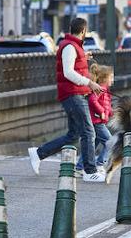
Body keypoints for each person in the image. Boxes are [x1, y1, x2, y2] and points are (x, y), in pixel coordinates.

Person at [27, 18, 105, 182]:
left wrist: (83, 56)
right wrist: (90, 83)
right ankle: (89, 171)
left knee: (73, 135)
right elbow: (68, 72)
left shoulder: (73, 46)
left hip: (74, 93)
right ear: (83, 31)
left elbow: (71, 64)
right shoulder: (69, 47)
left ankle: (38, 153)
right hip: (73, 94)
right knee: (88, 132)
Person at [85, 63, 114, 170]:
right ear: (104, 78)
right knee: (110, 142)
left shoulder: (105, 90)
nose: (112, 80)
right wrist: (102, 111)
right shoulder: (100, 89)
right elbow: (92, 100)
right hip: (97, 121)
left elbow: (105, 104)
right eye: (111, 77)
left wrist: (111, 112)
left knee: (91, 146)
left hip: (98, 121)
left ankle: (80, 166)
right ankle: (100, 163)